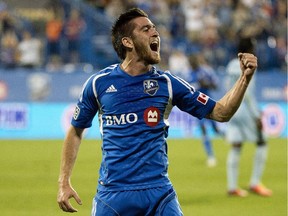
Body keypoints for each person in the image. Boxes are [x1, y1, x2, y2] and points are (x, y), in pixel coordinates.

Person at [57, 8, 258, 215]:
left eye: (155, 28)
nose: (155, 33)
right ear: (128, 42)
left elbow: (221, 112)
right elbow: (75, 130)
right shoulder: (98, 84)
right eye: (146, 29)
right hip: (113, 195)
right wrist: (64, 182)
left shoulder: (168, 84)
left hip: (159, 194)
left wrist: (244, 78)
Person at [225, 37, 272, 197]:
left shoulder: (231, 64)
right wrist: (257, 115)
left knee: (236, 146)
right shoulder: (249, 63)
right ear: (251, 48)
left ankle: (232, 187)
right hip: (244, 109)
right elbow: (248, 94)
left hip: (231, 108)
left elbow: (228, 87)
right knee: (262, 142)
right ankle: (255, 183)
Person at [188, 53, 222, 167]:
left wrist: (206, 84)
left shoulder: (207, 71)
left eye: (194, 63)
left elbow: (216, 85)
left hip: (209, 104)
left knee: (216, 130)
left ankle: (229, 137)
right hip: (198, 107)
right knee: (203, 128)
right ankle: (211, 156)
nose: (192, 65)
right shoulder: (188, 75)